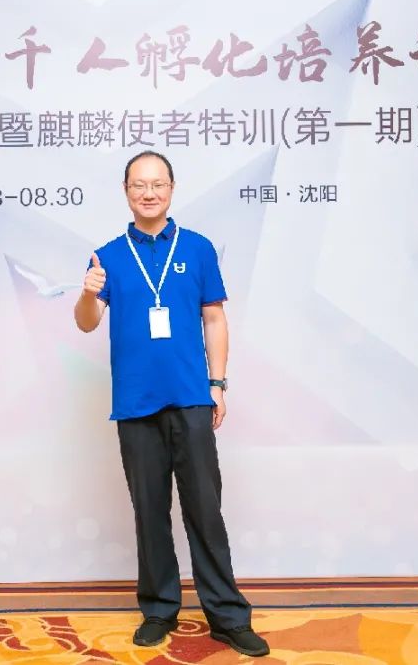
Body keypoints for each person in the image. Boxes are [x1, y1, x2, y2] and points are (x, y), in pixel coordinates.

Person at [74, 151, 269, 658]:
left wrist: (218, 383)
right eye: (139, 184)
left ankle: (228, 616)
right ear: (126, 191)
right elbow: (87, 323)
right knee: (150, 511)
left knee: (205, 508)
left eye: (157, 183)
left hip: (190, 398)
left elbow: (214, 319)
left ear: (172, 189)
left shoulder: (198, 249)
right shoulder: (107, 257)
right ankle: (159, 609)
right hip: (135, 402)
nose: (149, 192)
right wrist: (88, 294)